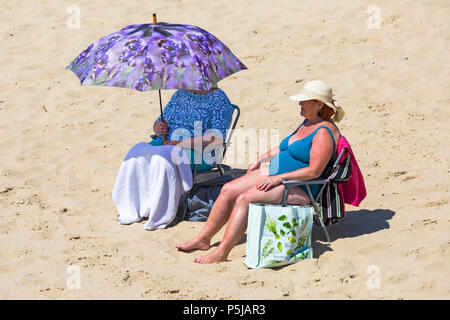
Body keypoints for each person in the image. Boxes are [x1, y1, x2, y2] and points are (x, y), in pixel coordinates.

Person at [176, 80, 345, 264]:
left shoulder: (324, 133)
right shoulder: (308, 122)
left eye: (304, 101)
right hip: (276, 176)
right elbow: (284, 147)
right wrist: (260, 159)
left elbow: (314, 171)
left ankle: (222, 253)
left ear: (319, 104)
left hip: (300, 186)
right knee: (228, 189)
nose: (300, 104)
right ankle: (203, 239)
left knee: (244, 199)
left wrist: (278, 178)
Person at [112, 85, 234, 230]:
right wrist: (158, 127)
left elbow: (217, 138)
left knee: (162, 158)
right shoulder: (180, 93)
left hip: (198, 150)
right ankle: (134, 206)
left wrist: (180, 144)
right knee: (136, 152)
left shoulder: (219, 99)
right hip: (167, 141)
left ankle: (158, 208)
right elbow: (159, 123)